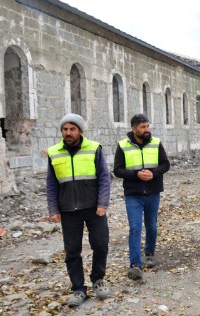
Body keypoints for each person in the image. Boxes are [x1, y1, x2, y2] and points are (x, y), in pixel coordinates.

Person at [46, 113, 111, 307]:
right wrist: (53, 208)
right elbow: (51, 184)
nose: (68, 133)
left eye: (72, 129)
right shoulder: (54, 152)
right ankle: (78, 288)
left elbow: (104, 178)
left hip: (94, 208)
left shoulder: (93, 149)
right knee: (72, 251)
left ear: (80, 131)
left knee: (100, 244)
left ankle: (98, 280)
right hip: (68, 210)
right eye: (65, 129)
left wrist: (102, 203)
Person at [114, 114, 171, 281]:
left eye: (147, 126)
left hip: (153, 192)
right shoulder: (123, 145)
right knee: (135, 227)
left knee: (152, 226)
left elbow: (165, 164)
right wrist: (136, 174)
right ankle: (135, 265)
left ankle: (150, 252)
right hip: (133, 194)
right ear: (134, 129)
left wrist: (152, 173)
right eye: (143, 127)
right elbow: (117, 170)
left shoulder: (156, 143)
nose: (147, 130)